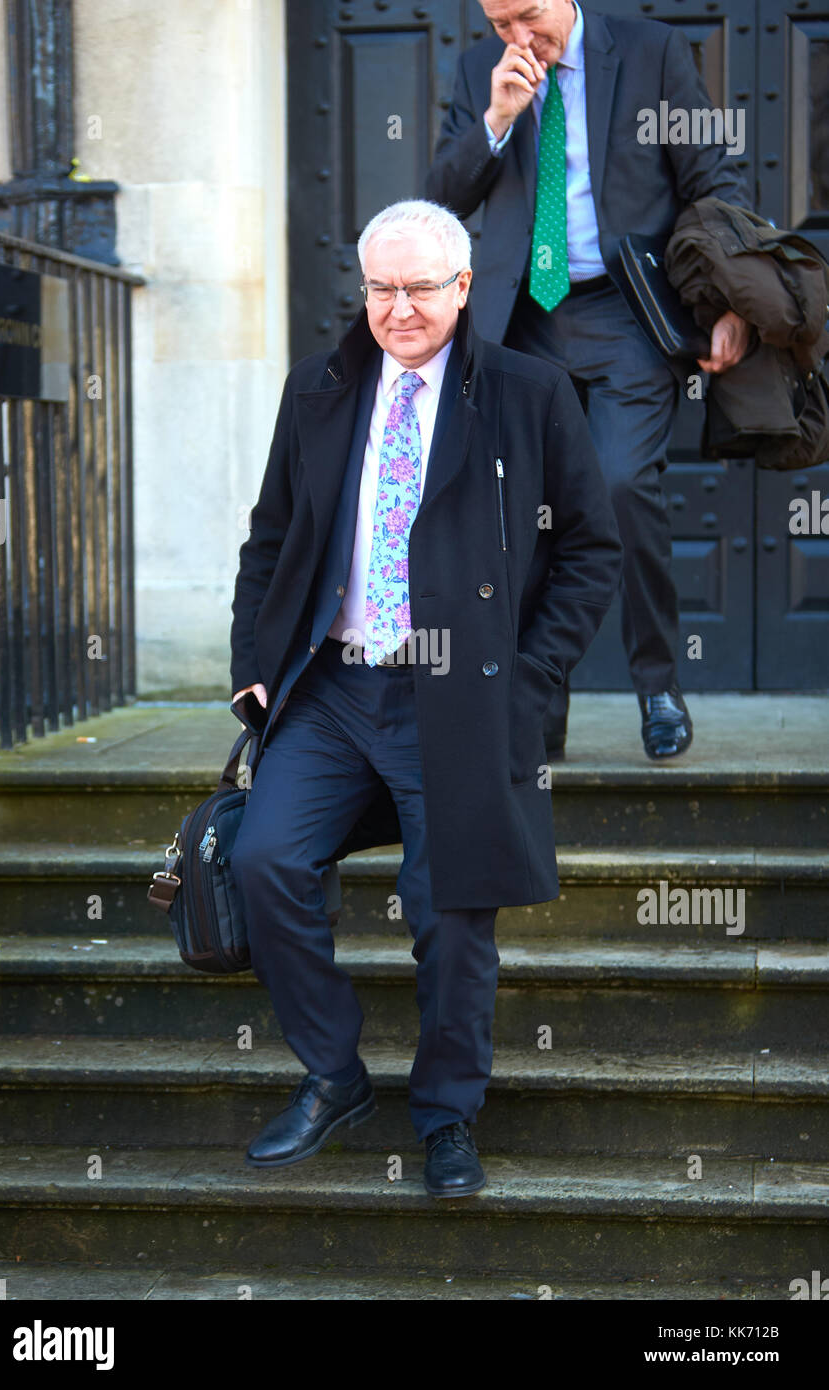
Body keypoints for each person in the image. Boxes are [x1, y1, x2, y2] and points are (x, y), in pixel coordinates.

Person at [228, 199, 621, 1198]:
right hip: (332, 684)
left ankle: (447, 1113)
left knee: (449, 912)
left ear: (461, 288)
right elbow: (267, 538)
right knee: (263, 857)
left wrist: (524, 681)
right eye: (379, 288)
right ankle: (333, 1072)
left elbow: (589, 550)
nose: (397, 308)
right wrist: (251, 658)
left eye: (417, 288)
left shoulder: (528, 393)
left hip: (457, 693)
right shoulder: (316, 389)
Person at [425, 0, 752, 759]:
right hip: (523, 323)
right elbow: (441, 198)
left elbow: (713, 177)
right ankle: (539, 709)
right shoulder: (483, 71)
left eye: (527, 16)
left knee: (620, 486)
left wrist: (733, 301)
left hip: (625, 314)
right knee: (522, 513)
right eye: (500, 22)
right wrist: (497, 119)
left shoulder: (652, 52)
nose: (517, 37)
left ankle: (659, 684)